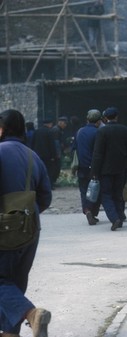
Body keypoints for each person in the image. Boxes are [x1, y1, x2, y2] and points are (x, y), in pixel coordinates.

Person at [0, 109, 52, 337]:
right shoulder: (33, 156)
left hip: (3, 228)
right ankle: (11, 333)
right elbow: (46, 196)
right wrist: (24, 216)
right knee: (15, 282)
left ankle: (32, 314)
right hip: (30, 228)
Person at [90, 107, 127, 231]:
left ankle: (114, 219)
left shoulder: (102, 132)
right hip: (121, 168)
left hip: (105, 169)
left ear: (105, 118)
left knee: (106, 195)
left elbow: (98, 154)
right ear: (117, 117)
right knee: (118, 194)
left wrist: (94, 171)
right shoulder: (125, 130)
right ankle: (120, 216)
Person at [74, 109, 102, 226]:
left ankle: (87, 210)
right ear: (99, 121)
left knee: (84, 190)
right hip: (94, 166)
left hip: (81, 166)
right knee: (96, 190)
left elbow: (74, 148)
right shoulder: (98, 133)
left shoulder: (79, 132)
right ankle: (93, 211)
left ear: (87, 119)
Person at [32, 118, 58, 189]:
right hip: (48, 156)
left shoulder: (37, 131)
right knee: (49, 171)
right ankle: (49, 185)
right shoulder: (49, 132)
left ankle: (38, 185)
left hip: (37, 155)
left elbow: (32, 143)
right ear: (49, 124)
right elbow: (52, 145)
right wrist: (54, 156)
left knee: (38, 170)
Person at [51, 116, 69, 188]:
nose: (65, 125)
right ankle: (52, 182)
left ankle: (53, 181)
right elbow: (56, 143)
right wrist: (58, 153)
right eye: (64, 123)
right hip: (55, 153)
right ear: (61, 123)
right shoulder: (56, 130)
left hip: (55, 152)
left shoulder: (58, 129)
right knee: (55, 167)